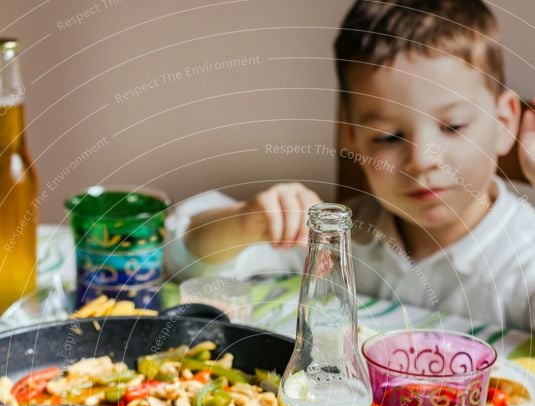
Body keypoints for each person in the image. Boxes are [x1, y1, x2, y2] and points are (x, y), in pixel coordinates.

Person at [167, 0, 535, 330]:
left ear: (505, 122)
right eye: (388, 136)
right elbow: (183, 257)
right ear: (352, 138)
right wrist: (247, 221)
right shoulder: (340, 239)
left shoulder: (524, 255)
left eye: (453, 127)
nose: (422, 160)